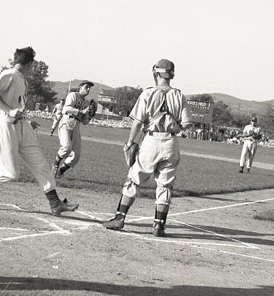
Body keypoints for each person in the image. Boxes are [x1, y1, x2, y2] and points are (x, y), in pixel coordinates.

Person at [0, 47, 78, 216]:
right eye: (32, 65)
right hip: (6, 125)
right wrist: (9, 110)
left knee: (40, 164)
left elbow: (17, 106)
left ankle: (55, 203)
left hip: (22, 126)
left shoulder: (22, 79)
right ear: (29, 64)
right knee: (10, 173)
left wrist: (27, 121)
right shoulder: (10, 74)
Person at [102, 59, 193, 237]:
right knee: (165, 185)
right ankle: (159, 225)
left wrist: (130, 142)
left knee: (134, 179)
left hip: (151, 140)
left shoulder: (148, 93)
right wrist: (172, 125)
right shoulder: (179, 95)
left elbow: (137, 122)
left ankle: (120, 218)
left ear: (157, 73)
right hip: (171, 142)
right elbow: (186, 124)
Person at [52, 80, 95, 179]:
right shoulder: (73, 95)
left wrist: (90, 115)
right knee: (66, 147)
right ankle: (55, 165)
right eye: (86, 87)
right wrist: (81, 111)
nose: (88, 89)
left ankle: (60, 172)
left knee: (76, 155)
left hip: (77, 125)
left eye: (90, 88)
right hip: (67, 121)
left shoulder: (86, 103)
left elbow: (85, 122)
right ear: (80, 88)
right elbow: (66, 109)